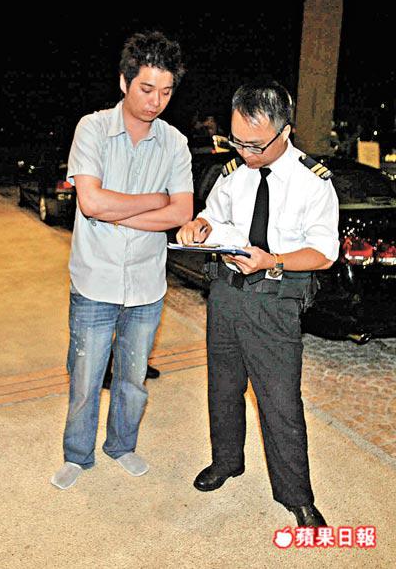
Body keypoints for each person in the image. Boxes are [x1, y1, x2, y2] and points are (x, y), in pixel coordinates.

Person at [177, 80, 339, 527]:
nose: (245, 152)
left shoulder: (312, 183)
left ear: (284, 131)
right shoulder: (234, 173)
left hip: (274, 302)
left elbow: (324, 253)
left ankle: (296, 495)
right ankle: (227, 461)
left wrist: (273, 261)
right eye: (237, 141)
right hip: (226, 294)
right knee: (223, 388)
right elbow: (213, 215)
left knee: (280, 402)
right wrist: (199, 227)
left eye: (255, 144)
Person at [51, 31, 194, 490]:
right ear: (123, 82)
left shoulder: (175, 143)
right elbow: (90, 203)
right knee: (85, 379)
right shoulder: (92, 129)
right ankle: (77, 455)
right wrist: (153, 200)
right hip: (95, 280)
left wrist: (120, 212)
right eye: (146, 89)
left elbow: (182, 212)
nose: (156, 102)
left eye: (166, 92)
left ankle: (122, 446)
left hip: (147, 285)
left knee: (133, 379)